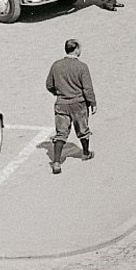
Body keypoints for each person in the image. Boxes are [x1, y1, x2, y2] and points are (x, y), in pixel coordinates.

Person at [46, 37, 96, 174]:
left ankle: (56, 162)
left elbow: (49, 85)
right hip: (79, 104)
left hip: (61, 104)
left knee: (61, 133)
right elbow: (87, 89)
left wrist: (59, 93)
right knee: (83, 130)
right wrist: (92, 103)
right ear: (76, 50)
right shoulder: (82, 67)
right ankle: (85, 153)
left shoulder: (56, 65)